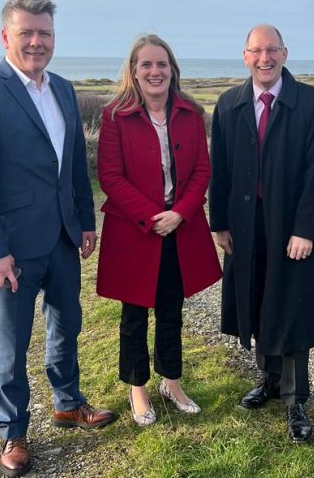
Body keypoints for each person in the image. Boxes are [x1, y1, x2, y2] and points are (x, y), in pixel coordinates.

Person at [0, 0, 114, 477]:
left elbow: (73, 168)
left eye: (44, 33)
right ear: (7, 36)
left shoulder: (63, 89)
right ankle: (14, 431)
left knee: (67, 326)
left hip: (63, 238)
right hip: (11, 249)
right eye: (27, 33)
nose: (37, 41)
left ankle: (68, 403)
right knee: (11, 342)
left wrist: (86, 220)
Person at [209, 24, 314, 443]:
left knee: (293, 303)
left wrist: (306, 229)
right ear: (245, 56)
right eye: (257, 51)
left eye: (272, 50)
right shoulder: (229, 104)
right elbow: (220, 168)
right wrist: (220, 223)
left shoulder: (310, 101)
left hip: (293, 224)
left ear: (285, 54)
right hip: (246, 224)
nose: (265, 58)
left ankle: (296, 397)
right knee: (259, 295)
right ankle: (270, 378)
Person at [96, 35, 222, 426]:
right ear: (133, 70)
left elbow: (203, 169)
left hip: (179, 229)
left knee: (172, 311)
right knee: (134, 315)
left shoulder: (191, 111)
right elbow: (110, 176)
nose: (155, 71)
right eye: (146, 64)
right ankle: (137, 388)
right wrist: (153, 217)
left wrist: (181, 213)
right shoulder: (115, 115)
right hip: (137, 230)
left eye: (162, 64)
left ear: (173, 70)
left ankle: (172, 381)